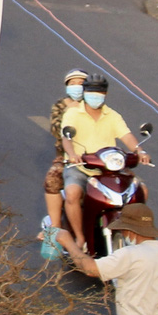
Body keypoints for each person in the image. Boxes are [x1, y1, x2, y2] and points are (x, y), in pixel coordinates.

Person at [58, 73, 144, 253]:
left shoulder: (112, 115)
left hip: (108, 171)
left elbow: (126, 135)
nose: (95, 95)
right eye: (92, 92)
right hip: (81, 168)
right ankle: (80, 237)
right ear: (85, 92)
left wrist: (139, 151)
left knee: (141, 191)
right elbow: (66, 138)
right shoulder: (73, 113)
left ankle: (138, 233)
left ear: (105, 94)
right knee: (73, 193)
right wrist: (72, 154)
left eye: (100, 92)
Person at [42, 68, 90, 241]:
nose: (77, 87)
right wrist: (69, 111)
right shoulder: (60, 105)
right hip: (67, 157)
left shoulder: (94, 105)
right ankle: (55, 225)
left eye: (81, 83)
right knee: (52, 179)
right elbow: (56, 130)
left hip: (95, 156)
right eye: (73, 83)